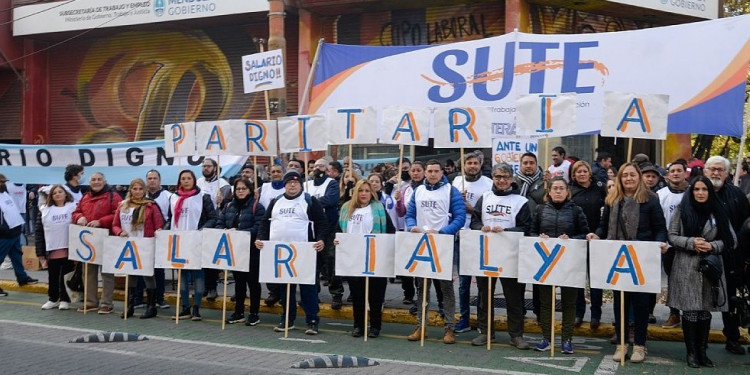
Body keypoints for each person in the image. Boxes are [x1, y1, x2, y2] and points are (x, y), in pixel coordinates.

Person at [587, 162, 668, 363]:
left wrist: (660, 242)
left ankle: (640, 345)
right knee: (620, 302)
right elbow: (603, 226)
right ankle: (621, 344)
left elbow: (659, 227)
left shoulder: (650, 199)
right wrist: (596, 235)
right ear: (620, 179)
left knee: (640, 303)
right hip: (617, 256)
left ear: (638, 177)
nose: (629, 178)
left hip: (641, 256)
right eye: (625, 176)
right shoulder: (612, 200)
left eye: (632, 175)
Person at [668, 176, 733, 368]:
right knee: (690, 311)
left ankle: (703, 352)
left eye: (704, 189)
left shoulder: (719, 210)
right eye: (696, 189)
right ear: (692, 191)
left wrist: (712, 246)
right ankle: (692, 353)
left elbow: (731, 240)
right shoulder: (682, 209)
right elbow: (671, 236)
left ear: (710, 192)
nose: (700, 193)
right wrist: (691, 243)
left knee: (705, 311)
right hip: (686, 266)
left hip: (710, 268)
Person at [256, 170, 328, 335]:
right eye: (289, 182)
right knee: (285, 289)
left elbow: (322, 223)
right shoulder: (276, 202)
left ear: (301, 184)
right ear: (285, 185)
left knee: (307, 288)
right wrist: (260, 238)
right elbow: (264, 223)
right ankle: (287, 319)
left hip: (304, 252)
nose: (293, 185)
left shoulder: (309, 201)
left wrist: (321, 239)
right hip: (281, 253)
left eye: (296, 182)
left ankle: (312, 321)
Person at [469, 163, 532, 349]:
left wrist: (506, 230)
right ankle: (486, 332)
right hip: (486, 255)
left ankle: (516, 335)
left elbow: (526, 228)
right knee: (484, 295)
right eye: (497, 177)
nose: (501, 180)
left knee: (513, 297)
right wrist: (480, 227)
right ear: (493, 178)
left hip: (510, 255)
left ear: (512, 179)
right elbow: (474, 222)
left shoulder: (521, 201)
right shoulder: (484, 198)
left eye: (505, 177)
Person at [405, 159, 466, 344]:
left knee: (446, 288)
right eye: (429, 171)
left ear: (442, 173)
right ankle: (421, 326)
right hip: (422, 245)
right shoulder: (418, 191)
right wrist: (411, 227)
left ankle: (449, 328)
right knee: (422, 288)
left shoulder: (451, 191)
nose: (432, 174)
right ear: (425, 172)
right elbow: (409, 215)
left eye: (436, 171)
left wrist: (441, 232)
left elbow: (460, 217)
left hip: (443, 245)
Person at [532, 177, 590, 354]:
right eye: (554, 188)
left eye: (561, 188)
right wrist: (538, 237)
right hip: (546, 262)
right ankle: (547, 338)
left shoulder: (576, 210)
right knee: (546, 302)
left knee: (569, 302)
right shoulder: (540, 210)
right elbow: (532, 231)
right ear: (548, 192)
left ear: (567, 192)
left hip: (569, 262)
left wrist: (571, 239)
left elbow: (585, 233)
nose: (558, 191)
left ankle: (567, 339)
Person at [335, 179, 395, 338]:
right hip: (354, 259)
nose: (364, 194)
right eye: (361, 190)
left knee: (376, 295)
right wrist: (337, 239)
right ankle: (358, 326)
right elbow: (338, 230)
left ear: (372, 193)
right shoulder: (346, 209)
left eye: (367, 191)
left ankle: (375, 326)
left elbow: (390, 230)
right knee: (357, 295)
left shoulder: (379, 208)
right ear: (355, 192)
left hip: (376, 258)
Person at [703, 155, 750, 354]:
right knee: (702, 300)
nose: (715, 173)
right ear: (705, 171)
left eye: (719, 169)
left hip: (733, 258)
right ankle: (699, 342)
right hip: (703, 256)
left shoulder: (737, 195)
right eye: (712, 169)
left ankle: (732, 338)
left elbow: (746, 225)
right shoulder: (696, 192)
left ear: (727, 172)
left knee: (732, 300)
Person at [166, 169, 217, 321]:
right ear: (179, 181)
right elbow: (170, 218)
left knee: (198, 274)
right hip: (179, 241)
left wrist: (202, 229)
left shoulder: (203, 197)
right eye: (183, 178)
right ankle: (185, 307)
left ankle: (196, 308)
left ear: (194, 180)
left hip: (197, 240)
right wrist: (164, 228)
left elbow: (212, 218)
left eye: (189, 178)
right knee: (183, 275)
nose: (186, 181)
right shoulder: (173, 198)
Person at [451, 150, 493, 333]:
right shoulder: (456, 182)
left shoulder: (489, 184)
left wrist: (471, 209)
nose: (473, 166)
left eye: (475, 163)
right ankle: (465, 318)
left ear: (480, 165)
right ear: (464, 166)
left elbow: (490, 212)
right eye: (469, 163)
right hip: (461, 236)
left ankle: (483, 321)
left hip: (481, 237)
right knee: (463, 282)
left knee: (483, 282)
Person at [112, 178, 164, 319]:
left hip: (145, 243)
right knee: (131, 274)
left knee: (147, 275)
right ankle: (130, 307)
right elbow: (115, 224)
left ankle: (151, 306)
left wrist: (156, 235)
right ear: (130, 190)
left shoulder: (151, 206)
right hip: (128, 245)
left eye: (140, 189)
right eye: (135, 189)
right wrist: (119, 232)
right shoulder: (122, 205)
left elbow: (159, 224)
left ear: (144, 190)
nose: (137, 192)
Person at [217, 177, 265, 326]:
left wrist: (239, 232)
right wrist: (225, 231)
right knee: (239, 283)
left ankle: (254, 313)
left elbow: (259, 227)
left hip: (251, 251)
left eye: (244, 188)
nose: (241, 191)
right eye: (238, 189)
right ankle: (238, 311)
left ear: (250, 190)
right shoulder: (228, 206)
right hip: (234, 250)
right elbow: (219, 223)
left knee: (253, 283)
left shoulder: (258, 207)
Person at [72, 172, 122, 313]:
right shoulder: (85, 197)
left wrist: (101, 221)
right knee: (88, 272)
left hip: (107, 237)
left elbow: (118, 214)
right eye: (93, 180)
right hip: (88, 240)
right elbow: (76, 212)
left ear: (104, 181)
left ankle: (107, 303)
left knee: (107, 273)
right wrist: (79, 217)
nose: (96, 182)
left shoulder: (114, 196)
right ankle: (91, 301)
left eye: (99, 179)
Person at [570, 161, 606, 330]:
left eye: (584, 171)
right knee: (577, 278)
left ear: (589, 173)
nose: (582, 174)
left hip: (596, 238)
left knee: (595, 279)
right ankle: (578, 312)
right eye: (578, 172)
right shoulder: (570, 191)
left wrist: (599, 233)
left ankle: (596, 314)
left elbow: (606, 212)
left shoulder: (600, 188)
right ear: (574, 174)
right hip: (577, 239)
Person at [304, 158, 342, 309]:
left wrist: (310, 202)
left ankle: (336, 294)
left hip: (329, 228)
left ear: (327, 169)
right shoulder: (306, 185)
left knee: (331, 260)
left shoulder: (331, 183)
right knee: (312, 263)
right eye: (315, 166)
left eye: (321, 166)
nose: (317, 168)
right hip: (311, 228)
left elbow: (331, 200)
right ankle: (313, 294)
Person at [656, 160, 690, 329]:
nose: (676, 173)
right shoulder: (661, 194)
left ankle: (691, 314)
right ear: (668, 175)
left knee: (689, 280)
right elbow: (657, 220)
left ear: (685, 173)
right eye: (672, 171)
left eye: (679, 170)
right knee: (672, 280)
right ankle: (674, 313)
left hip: (689, 245)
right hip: (668, 246)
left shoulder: (693, 192)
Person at [514, 152, 545, 320]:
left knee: (538, 275)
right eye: (525, 162)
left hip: (538, 233)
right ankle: (520, 310)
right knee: (519, 276)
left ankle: (540, 311)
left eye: (531, 163)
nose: (528, 165)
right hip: (518, 233)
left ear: (536, 164)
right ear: (520, 164)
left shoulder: (545, 182)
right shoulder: (514, 182)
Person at [197, 158, 232, 302]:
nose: (206, 168)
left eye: (208, 166)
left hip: (215, 222)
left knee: (211, 257)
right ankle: (204, 286)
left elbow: (229, 205)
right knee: (200, 258)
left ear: (215, 168)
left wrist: (222, 201)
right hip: (200, 221)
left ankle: (212, 288)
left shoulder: (223, 184)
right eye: (204, 166)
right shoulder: (198, 182)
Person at [36, 185, 76, 310]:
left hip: (68, 248)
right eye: (55, 193)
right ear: (51, 196)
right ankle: (53, 298)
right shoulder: (44, 211)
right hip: (52, 249)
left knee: (66, 275)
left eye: (60, 192)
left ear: (65, 194)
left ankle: (65, 299)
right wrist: (40, 254)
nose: (58, 194)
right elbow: (39, 232)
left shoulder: (73, 208)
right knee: (52, 275)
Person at [142, 169, 172, 309]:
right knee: (142, 268)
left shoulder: (168, 196)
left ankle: (160, 298)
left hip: (161, 235)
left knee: (158, 269)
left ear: (160, 180)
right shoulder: (141, 195)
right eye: (149, 178)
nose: (152, 181)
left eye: (154, 178)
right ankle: (140, 298)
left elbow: (171, 217)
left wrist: (164, 230)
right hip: (143, 237)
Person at [258, 163, 286, 307]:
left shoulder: (287, 188)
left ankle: (284, 293)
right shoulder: (263, 188)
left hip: (283, 230)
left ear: (283, 173)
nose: (276, 174)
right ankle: (273, 292)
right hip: (268, 229)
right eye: (273, 172)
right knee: (270, 264)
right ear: (269, 174)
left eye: (278, 171)